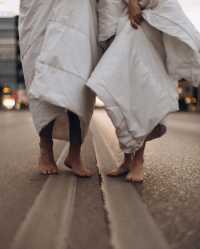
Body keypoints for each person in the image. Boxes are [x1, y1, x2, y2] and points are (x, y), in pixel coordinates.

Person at [87, 0, 200, 182]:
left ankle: (138, 160)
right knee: (121, 91)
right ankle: (127, 159)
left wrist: (132, 2)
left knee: (139, 90)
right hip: (111, 20)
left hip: (134, 22)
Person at [19, 0, 99, 176]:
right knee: (44, 80)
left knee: (77, 80)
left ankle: (75, 154)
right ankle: (46, 149)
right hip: (41, 9)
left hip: (78, 10)